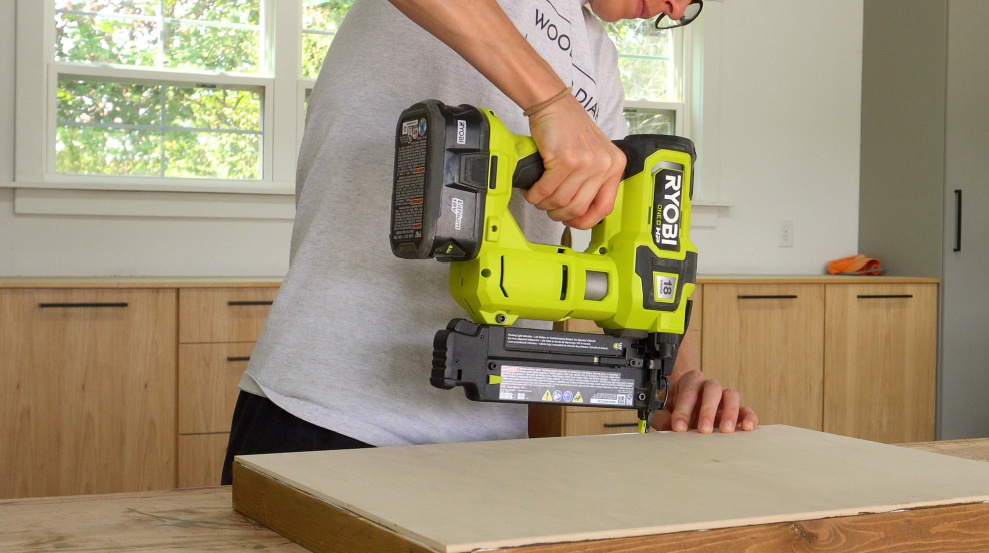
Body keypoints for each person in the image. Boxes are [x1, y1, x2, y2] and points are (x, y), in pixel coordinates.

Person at [220, 0, 755, 485]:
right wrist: (551, 102)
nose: (675, 8)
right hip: (329, 413)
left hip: (490, 439)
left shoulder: (599, 56)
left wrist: (680, 377)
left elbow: (634, 244)